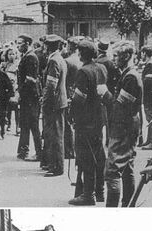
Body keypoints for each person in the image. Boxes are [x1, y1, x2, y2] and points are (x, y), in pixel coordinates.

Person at [68, 40, 108, 205]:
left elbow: (79, 99)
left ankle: (87, 195)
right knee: (99, 155)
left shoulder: (83, 71)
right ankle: (99, 192)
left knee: (86, 158)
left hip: (85, 121)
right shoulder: (102, 68)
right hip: (99, 119)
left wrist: (71, 115)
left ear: (81, 54)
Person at [104, 41, 143, 207]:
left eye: (116, 56)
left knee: (112, 171)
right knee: (127, 167)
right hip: (128, 125)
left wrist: (105, 95)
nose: (114, 59)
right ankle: (128, 205)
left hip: (123, 126)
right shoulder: (128, 74)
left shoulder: (130, 77)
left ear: (126, 56)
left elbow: (121, 107)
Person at [41, 35, 68, 176]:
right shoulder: (59, 59)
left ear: (49, 46)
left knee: (54, 136)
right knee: (56, 134)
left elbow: (51, 86)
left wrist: (45, 103)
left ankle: (56, 167)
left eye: (45, 45)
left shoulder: (53, 60)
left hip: (54, 103)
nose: (43, 48)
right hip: (59, 102)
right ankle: (54, 164)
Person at [16, 35, 42, 161]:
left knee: (33, 125)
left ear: (27, 43)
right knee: (26, 124)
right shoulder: (27, 56)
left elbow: (30, 79)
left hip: (30, 97)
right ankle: (23, 151)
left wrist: (20, 92)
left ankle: (39, 152)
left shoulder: (30, 57)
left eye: (20, 43)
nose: (18, 46)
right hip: (28, 96)